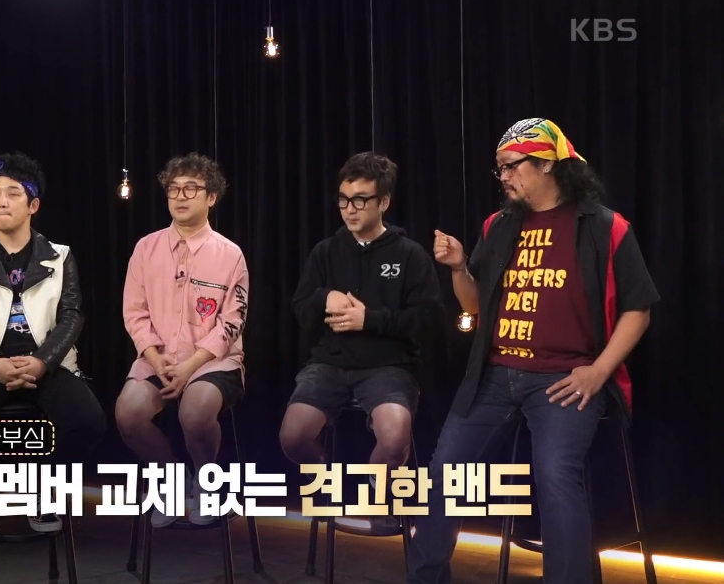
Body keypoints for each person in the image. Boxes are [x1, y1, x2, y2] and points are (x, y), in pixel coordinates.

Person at [407, 118, 659, 584]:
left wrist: (598, 372)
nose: (503, 177)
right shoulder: (498, 226)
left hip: (565, 378)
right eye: (499, 168)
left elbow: (638, 310)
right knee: (446, 470)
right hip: (495, 375)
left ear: (546, 164)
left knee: (555, 475)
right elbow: (474, 306)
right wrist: (459, 268)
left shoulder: (605, 227)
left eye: (512, 166)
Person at [0, 151, 106, 534]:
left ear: (33, 205)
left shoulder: (60, 257)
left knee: (89, 422)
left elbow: (72, 315)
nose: (1, 201)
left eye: (12, 193)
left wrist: (43, 361)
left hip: (47, 363)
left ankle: (42, 488)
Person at [281, 152, 442, 535]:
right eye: (343, 199)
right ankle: (330, 484)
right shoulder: (326, 251)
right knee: (293, 436)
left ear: (383, 202)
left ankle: (377, 490)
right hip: (330, 364)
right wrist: (325, 298)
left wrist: (370, 319)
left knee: (395, 432)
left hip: (389, 366)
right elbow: (301, 310)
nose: (349, 209)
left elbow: (429, 319)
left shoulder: (409, 255)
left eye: (360, 200)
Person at [115, 152, 249, 527]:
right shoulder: (146, 248)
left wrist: (190, 365)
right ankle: (173, 480)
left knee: (195, 411)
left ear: (211, 197)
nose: (180, 196)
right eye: (174, 188)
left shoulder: (230, 254)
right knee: (128, 413)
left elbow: (232, 321)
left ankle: (207, 481)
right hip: (158, 357)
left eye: (191, 188)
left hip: (212, 361)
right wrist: (154, 357)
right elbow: (134, 311)